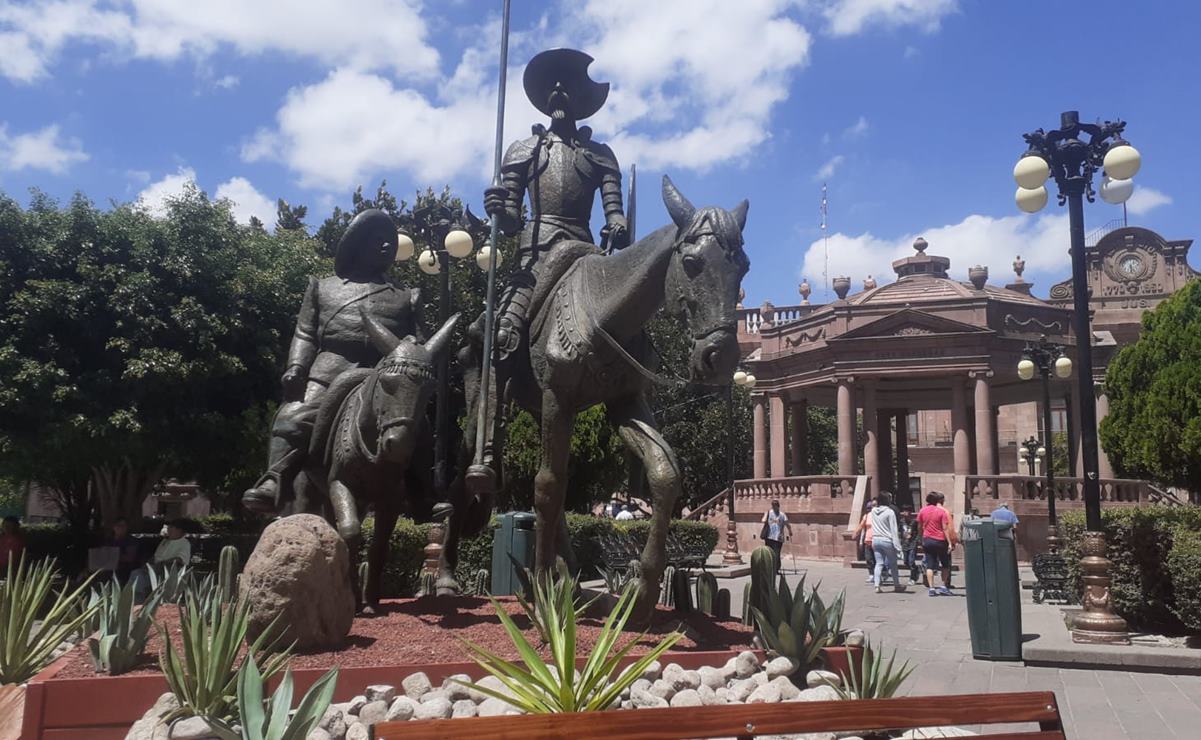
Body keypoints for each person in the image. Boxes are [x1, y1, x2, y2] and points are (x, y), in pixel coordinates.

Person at [918, 492, 955, 596]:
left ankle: (931, 588)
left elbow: (920, 526)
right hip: (940, 540)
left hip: (927, 540)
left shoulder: (922, 511)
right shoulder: (941, 512)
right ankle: (943, 586)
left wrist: (921, 538)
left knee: (930, 565)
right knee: (945, 564)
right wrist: (949, 543)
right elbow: (945, 528)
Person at [869, 492, 905, 593]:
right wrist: (898, 547)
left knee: (879, 563)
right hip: (887, 540)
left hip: (876, 539)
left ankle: (877, 585)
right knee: (893, 563)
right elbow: (893, 530)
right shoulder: (890, 512)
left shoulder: (873, 511)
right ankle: (897, 585)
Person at [760, 500, 792, 573]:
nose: (774, 507)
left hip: (776, 537)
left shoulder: (780, 514)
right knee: (772, 553)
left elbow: (787, 523)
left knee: (775, 553)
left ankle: (774, 568)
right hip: (771, 536)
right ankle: (772, 568)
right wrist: (790, 531)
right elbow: (763, 520)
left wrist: (790, 531)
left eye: (775, 506)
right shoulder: (772, 513)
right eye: (773, 506)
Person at [106, 518, 141, 583]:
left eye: (123, 526)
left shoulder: (131, 540)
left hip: (125, 570)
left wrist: (113, 557)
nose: (121, 528)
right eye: (118, 525)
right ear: (114, 527)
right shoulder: (108, 540)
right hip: (107, 568)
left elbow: (130, 558)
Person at [852, 501, 877, 583]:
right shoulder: (866, 516)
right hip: (868, 541)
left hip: (876, 541)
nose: (869, 509)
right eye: (868, 508)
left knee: (877, 560)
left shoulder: (877, 516)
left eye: (871, 508)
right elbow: (861, 525)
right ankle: (871, 575)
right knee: (869, 559)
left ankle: (881, 574)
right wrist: (856, 533)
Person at [899, 506, 922, 586]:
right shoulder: (901, 522)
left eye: (907, 511)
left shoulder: (914, 522)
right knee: (906, 561)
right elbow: (899, 532)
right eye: (904, 511)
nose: (905, 513)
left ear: (910, 512)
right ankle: (917, 570)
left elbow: (919, 532)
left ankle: (913, 578)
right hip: (904, 543)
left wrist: (917, 541)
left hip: (912, 543)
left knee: (911, 561)